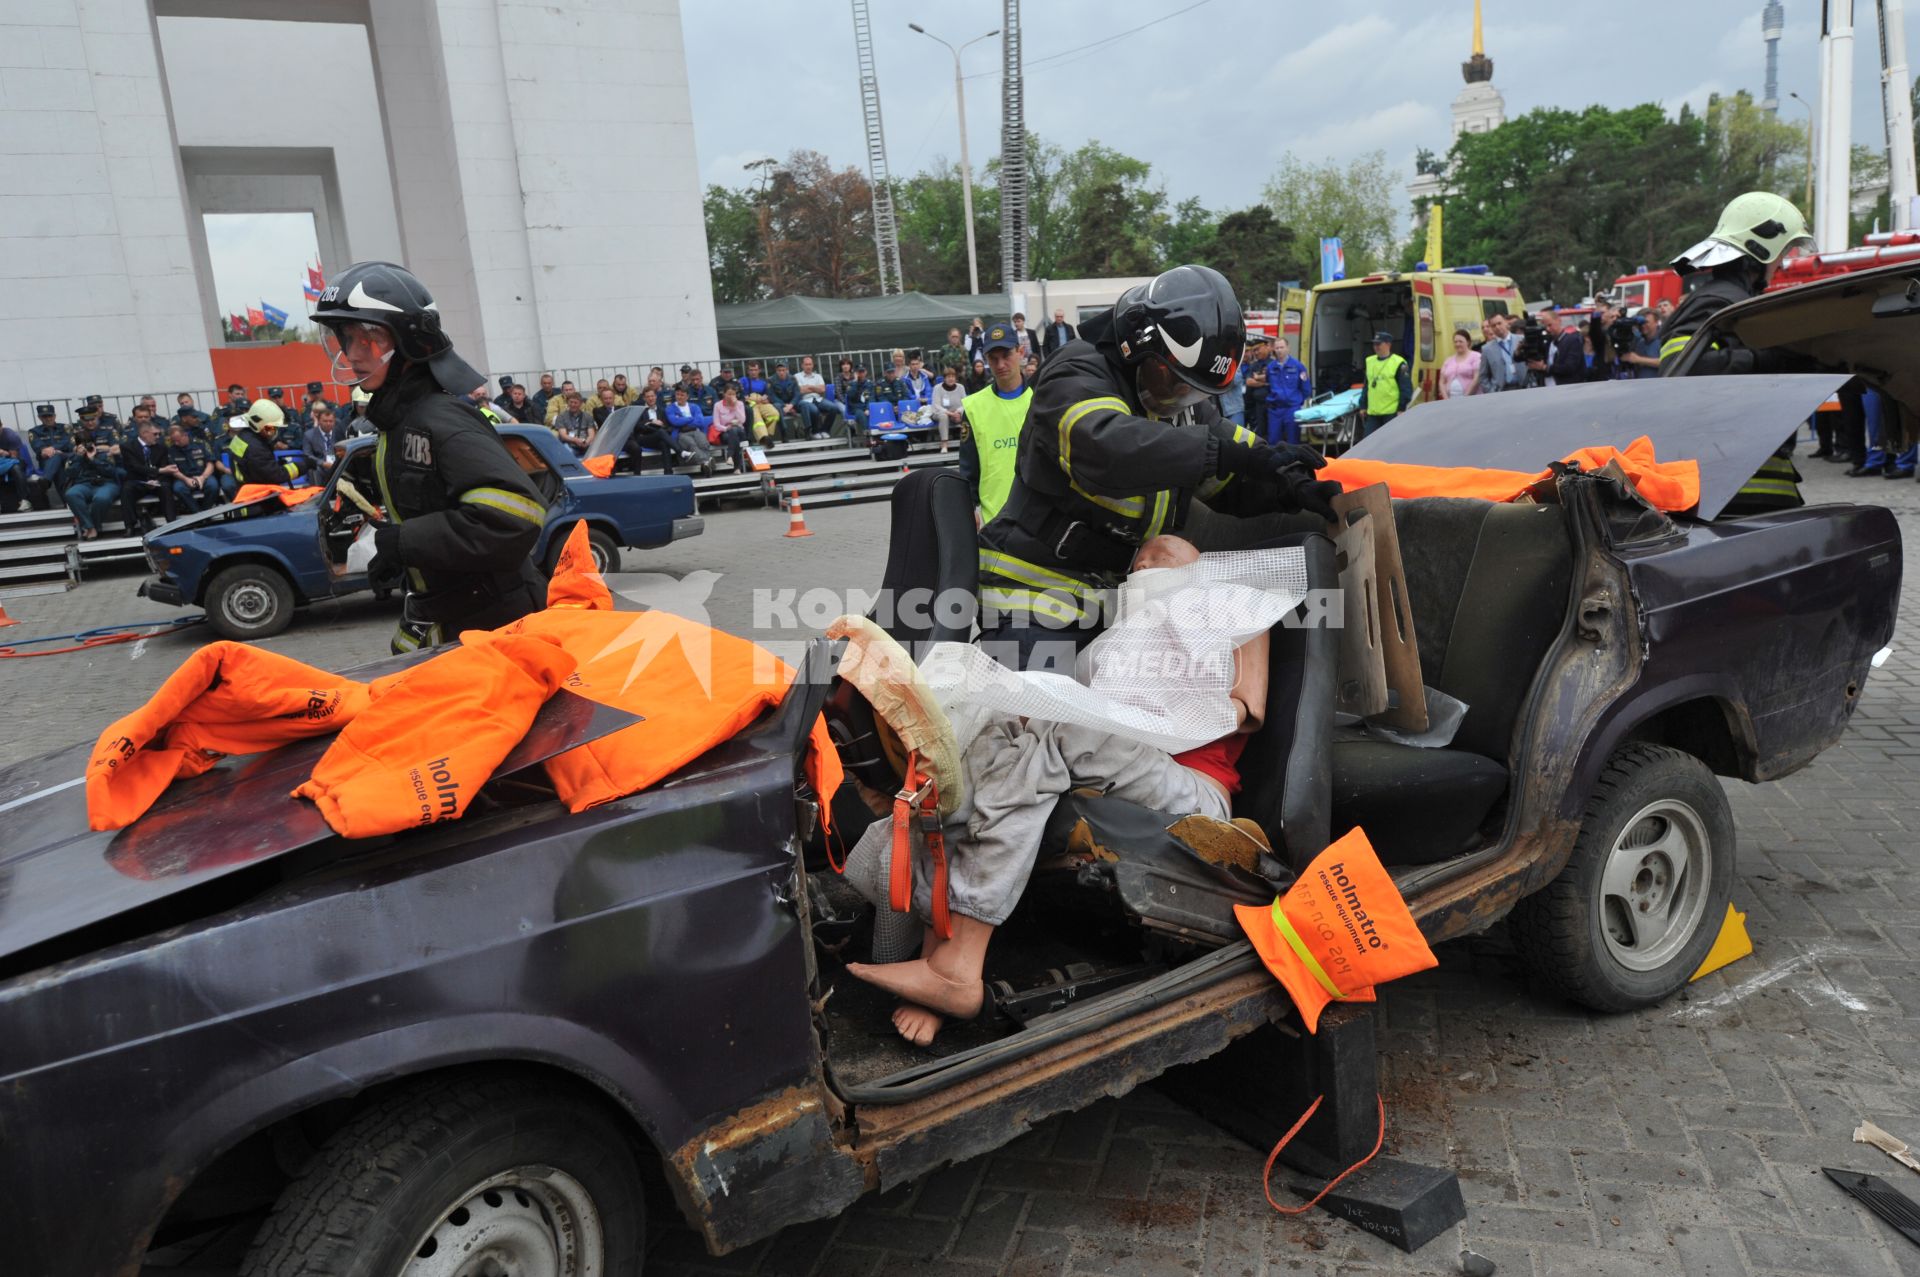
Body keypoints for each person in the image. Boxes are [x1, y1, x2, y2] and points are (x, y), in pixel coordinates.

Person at [842, 533, 1269, 1045]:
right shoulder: (1122, 636)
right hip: (1112, 759)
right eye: (1142, 563)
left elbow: (1247, 710)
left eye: (1165, 559)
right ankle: (944, 964)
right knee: (995, 745)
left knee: (1051, 736)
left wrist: (1157, 705)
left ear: (1199, 572)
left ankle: (952, 963)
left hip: (1193, 787)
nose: (1149, 567)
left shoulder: (1240, 612)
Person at [976, 263, 1339, 669]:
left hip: (1113, 603)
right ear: (1138, 346)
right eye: (1176, 381)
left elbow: (1231, 465)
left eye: (1195, 390)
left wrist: (1289, 486)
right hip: (1032, 598)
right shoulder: (1076, 371)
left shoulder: (1176, 404)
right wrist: (1221, 454)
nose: (1183, 397)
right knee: (1033, 721)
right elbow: (1107, 446)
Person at [312, 259, 549, 653]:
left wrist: (406, 543)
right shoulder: (396, 423)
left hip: (499, 630)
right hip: (454, 621)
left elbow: (517, 514)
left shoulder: (440, 419)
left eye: (363, 339)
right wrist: (406, 560)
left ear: (407, 342)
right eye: (344, 339)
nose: (351, 354)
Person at [1660, 191, 1817, 508]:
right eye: (1781, 253)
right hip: (1731, 488)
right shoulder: (1717, 301)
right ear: (1759, 250)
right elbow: (1680, 369)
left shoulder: (1737, 302)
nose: (1782, 264)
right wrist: (1768, 359)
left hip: (1750, 480)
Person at [957, 324, 1029, 523]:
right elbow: (968, 466)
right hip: (996, 521)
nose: (1000, 364)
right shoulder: (974, 407)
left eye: (1006, 355)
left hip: (1041, 518)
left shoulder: (1043, 397)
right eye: (993, 358)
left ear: (1020, 352)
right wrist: (969, 507)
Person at [227, 399, 302, 487]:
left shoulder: (242, 437)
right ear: (260, 425)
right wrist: (303, 465)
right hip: (260, 495)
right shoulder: (256, 447)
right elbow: (276, 475)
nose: (273, 431)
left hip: (246, 489)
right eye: (271, 427)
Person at [119, 413, 175, 530]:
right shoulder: (128, 447)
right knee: (127, 489)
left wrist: (156, 480)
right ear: (144, 434)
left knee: (166, 487)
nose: (158, 436)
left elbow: (165, 467)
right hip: (137, 480)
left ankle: (172, 523)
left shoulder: (161, 447)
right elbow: (135, 467)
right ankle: (130, 526)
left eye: (159, 434)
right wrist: (158, 471)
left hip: (156, 481)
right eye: (155, 434)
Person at [61, 435, 120, 539]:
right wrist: (79, 457)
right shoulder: (74, 457)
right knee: (71, 494)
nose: (86, 447)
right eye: (82, 445)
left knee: (101, 498)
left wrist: (93, 459)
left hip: (106, 483)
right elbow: (70, 474)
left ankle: (93, 528)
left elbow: (113, 472)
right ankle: (90, 527)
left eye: (88, 444)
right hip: (84, 484)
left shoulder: (105, 454)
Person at [1361, 331, 1411, 439]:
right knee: (1368, 441)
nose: (1376, 347)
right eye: (1374, 344)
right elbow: (1366, 386)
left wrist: (1401, 408)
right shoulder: (1369, 361)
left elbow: (1405, 388)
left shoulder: (1399, 363)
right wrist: (1363, 405)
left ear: (1388, 344)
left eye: (1379, 344)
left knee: (1390, 442)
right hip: (1373, 412)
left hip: (1391, 412)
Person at [1263, 337, 1311, 445]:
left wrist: (1297, 402)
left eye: (1282, 347)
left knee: (1293, 441)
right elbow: (1268, 386)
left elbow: (1306, 389)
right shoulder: (1271, 367)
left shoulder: (1298, 366)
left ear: (1288, 348)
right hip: (1275, 410)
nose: (1279, 350)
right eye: (1277, 348)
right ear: (1274, 350)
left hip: (1292, 409)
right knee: (1273, 441)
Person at [163, 421, 219, 513]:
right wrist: (186, 479)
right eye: (174, 441)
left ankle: (206, 512)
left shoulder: (201, 444)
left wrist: (203, 477)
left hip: (203, 475)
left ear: (185, 435)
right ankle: (197, 513)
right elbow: (174, 470)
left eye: (178, 440)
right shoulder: (171, 449)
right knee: (178, 489)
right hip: (183, 477)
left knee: (213, 486)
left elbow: (210, 464)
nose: (176, 443)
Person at [662, 386, 717, 475]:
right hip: (681, 433)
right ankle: (707, 461)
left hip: (696, 431)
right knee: (691, 444)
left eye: (682, 395)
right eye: (677, 394)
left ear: (687, 397)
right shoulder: (670, 408)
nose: (679, 397)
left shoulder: (695, 407)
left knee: (703, 442)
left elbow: (700, 421)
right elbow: (675, 422)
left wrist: (683, 420)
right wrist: (691, 418)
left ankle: (705, 465)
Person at [794, 355, 847, 439]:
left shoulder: (818, 376)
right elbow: (800, 391)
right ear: (802, 365)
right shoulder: (797, 376)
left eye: (810, 364)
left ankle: (825, 430)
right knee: (814, 410)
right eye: (806, 364)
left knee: (833, 408)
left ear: (813, 365)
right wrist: (815, 388)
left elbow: (822, 390)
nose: (808, 366)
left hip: (818, 399)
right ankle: (815, 431)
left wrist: (809, 387)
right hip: (805, 400)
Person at [1527, 311, 1584, 387]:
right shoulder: (1548, 342)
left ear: (1559, 320)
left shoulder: (1572, 340)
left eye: (1550, 325)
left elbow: (1570, 367)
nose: (1548, 329)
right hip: (1548, 388)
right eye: (1545, 326)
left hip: (1567, 387)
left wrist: (1544, 367)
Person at [29, 404, 71, 506]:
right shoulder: (34, 431)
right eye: (44, 416)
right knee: (58, 467)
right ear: (39, 417)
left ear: (55, 416)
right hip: (47, 462)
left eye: (50, 416)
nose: (48, 419)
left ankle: (46, 481)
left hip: (67, 459)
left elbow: (69, 442)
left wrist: (53, 448)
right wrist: (54, 451)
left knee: (57, 458)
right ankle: (69, 504)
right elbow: (38, 447)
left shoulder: (65, 428)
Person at [1476, 313, 1527, 393]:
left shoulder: (1521, 340)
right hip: (1501, 391)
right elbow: (1483, 375)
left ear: (1506, 323)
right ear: (1491, 329)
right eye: (1493, 325)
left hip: (1525, 387)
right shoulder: (1487, 349)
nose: (1497, 327)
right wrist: (1491, 391)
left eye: (1499, 323)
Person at [709, 383, 751, 472]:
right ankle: (737, 468)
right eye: (729, 394)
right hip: (725, 432)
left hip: (740, 431)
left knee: (735, 430)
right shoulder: (718, 405)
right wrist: (726, 428)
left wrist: (735, 407)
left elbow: (742, 420)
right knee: (733, 434)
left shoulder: (739, 404)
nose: (731, 396)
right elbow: (716, 424)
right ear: (724, 394)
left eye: (733, 394)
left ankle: (730, 456)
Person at [930, 362, 968, 453]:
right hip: (939, 413)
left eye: (953, 377)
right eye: (948, 377)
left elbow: (965, 403)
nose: (951, 379)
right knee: (943, 416)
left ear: (955, 378)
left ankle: (967, 442)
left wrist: (958, 412)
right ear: (944, 378)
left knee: (967, 413)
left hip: (956, 413)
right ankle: (944, 444)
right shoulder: (937, 388)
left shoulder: (961, 387)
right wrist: (950, 413)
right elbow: (936, 405)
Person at [1438, 329, 1482, 400]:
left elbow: (1476, 378)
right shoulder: (1448, 361)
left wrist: (1465, 397)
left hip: (1471, 399)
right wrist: (1446, 399)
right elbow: (1441, 382)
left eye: (1460, 341)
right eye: (1455, 342)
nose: (1457, 344)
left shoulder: (1476, 356)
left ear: (1468, 342)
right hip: (1451, 400)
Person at [1241, 333, 1271, 434]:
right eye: (1254, 350)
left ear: (1267, 347)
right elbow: (1249, 382)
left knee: (1270, 432)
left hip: (1270, 404)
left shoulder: (1272, 363)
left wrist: (1258, 378)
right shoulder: (1254, 365)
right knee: (1258, 432)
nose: (1256, 352)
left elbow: (1272, 379)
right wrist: (1264, 382)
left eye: (1258, 349)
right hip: (1254, 405)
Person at [0, 423, 32, 514]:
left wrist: (4, 453)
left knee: (16, 468)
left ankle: (25, 500)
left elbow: (14, 458)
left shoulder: (11, 436)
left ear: (1, 426)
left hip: (14, 460)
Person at [1621, 309, 1662, 379]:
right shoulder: (1639, 342)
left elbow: (1667, 362)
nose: (1643, 325)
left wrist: (1639, 359)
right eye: (1641, 323)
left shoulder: (1664, 340)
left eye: (1646, 322)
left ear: (1656, 322)